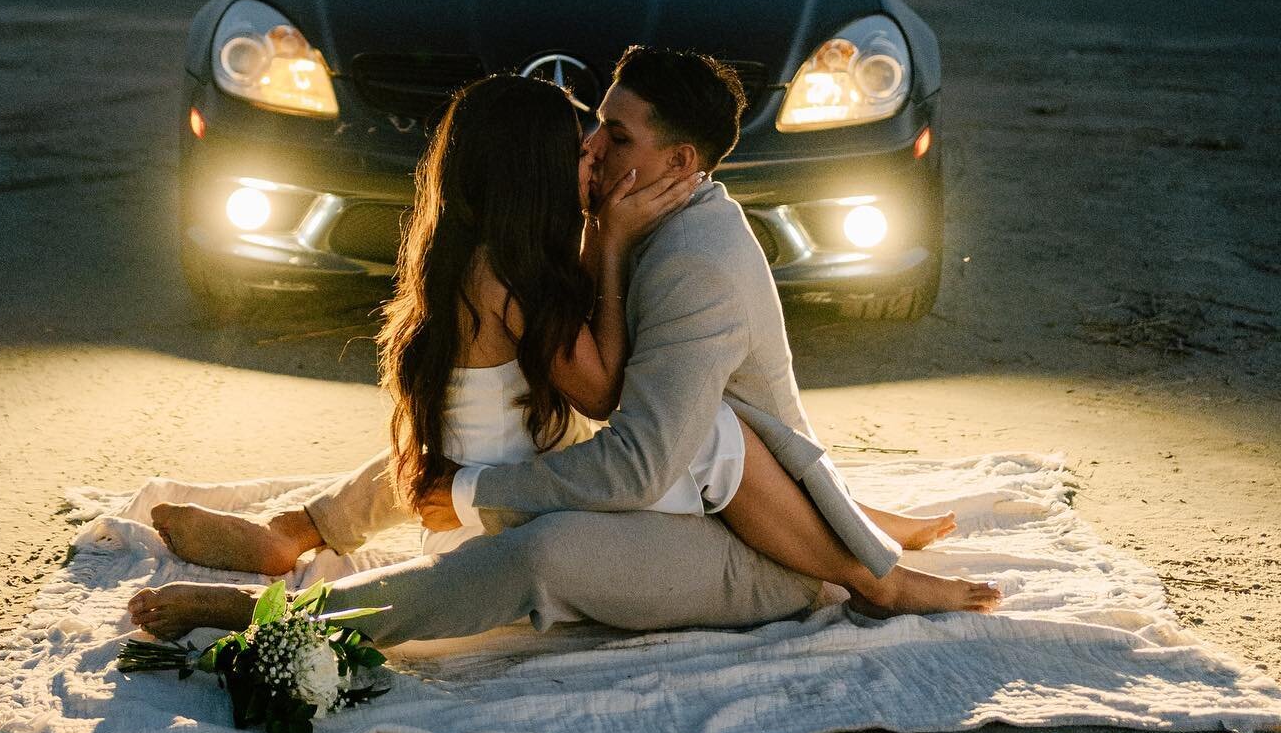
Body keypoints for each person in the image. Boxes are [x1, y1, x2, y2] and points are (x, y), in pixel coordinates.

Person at [131, 57, 998, 644]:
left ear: (678, 158)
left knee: (540, 522)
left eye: (614, 137)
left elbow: (624, 437)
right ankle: (297, 532)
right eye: (591, 133)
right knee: (512, 439)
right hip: (696, 488)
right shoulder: (617, 234)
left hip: (764, 558)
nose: (591, 149)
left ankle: (284, 611)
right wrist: (605, 238)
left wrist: (468, 489)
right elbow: (610, 410)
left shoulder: (692, 267)